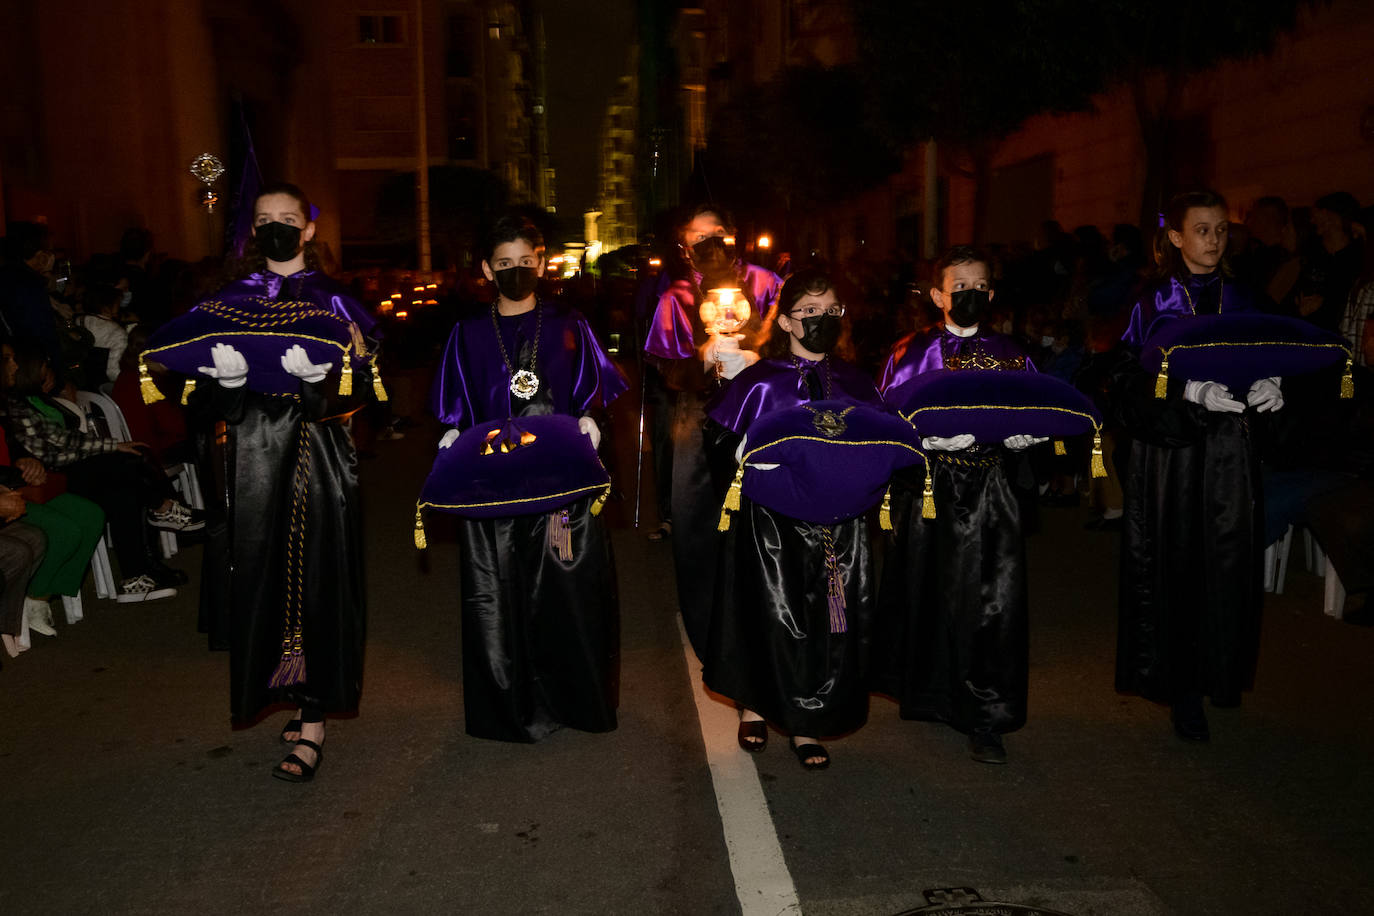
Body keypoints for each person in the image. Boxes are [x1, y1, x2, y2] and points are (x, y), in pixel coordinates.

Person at [192, 182, 379, 781]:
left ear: (308, 230)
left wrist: (322, 384)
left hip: (318, 452)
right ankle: (288, 691)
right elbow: (192, 390)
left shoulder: (337, 300)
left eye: (288, 218)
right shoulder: (231, 298)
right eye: (265, 218)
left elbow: (374, 388)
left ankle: (315, 717)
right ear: (253, 229)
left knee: (319, 576)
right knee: (264, 575)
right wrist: (224, 381)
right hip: (253, 453)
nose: (276, 227)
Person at [431, 213, 627, 743]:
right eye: (504, 264)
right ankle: (507, 707)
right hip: (490, 482)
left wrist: (592, 418)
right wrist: (452, 436)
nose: (516, 271)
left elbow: (593, 389)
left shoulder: (569, 323)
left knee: (565, 588)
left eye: (525, 261)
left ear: (540, 263)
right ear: (487, 270)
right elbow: (455, 403)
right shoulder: (468, 331)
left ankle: (573, 699)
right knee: (497, 590)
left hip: (560, 481)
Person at [1111, 189, 1278, 742]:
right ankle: (1182, 687)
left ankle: (1220, 672)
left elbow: (1269, 348)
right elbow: (1126, 378)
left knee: (1228, 557)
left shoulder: (1243, 292)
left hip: (1230, 446)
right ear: (1176, 237)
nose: (1213, 240)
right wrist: (1186, 390)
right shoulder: (1153, 299)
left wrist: (1270, 381)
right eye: (1202, 230)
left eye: (1221, 230)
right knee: (1178, 560)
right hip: (1174, 454)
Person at [702, 266, 882, 770]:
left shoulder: (855, 379)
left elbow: (882, 439)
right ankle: (755, 705)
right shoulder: (760, 381)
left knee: (826, 622)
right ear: (785, 322)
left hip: (839, 526)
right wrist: (743, 450)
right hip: (772, 523)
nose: (821, 320)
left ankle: (807, 720)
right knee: (769, 615)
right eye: (809, 312)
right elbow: (718, 437)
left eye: (830, 311)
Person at [876, 245, 1044, 764]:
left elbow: (1038, 408)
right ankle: (933, 693)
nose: (968, 294)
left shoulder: (1012, 353)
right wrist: (921, 443)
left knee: (992, 602)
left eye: (978, 286)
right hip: (931, 492)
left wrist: (1027, 437)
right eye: (958, 285)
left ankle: (986, 715)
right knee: (930, 594)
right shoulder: (908, 352)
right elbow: (883, 421)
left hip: (993, 491)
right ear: (937, 295)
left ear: (990, 293)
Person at [643, 204, 781, 655]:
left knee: (767, 520)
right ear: (685, 247)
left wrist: (761, 357)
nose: (710, 243)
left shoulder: (767, 283)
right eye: (699, 237)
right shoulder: (677, 296)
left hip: (765, 415)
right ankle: (710, 626)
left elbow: (795, 340)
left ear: (734, 234)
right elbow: (664, 363)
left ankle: (774, 618)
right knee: (701, 522)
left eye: (718, 232)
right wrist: (702, 357)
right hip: (699, 420)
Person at [1, 339, 193, 602]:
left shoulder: (38, 398)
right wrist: (110, 446)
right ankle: (161, 511)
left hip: (65, 466)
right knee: (123, 467)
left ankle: (139, 572)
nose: (14, 365)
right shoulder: (15, 405)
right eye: (9, 360)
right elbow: (53, 448)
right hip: (50, 474)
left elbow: (68, 437)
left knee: (125, 481)